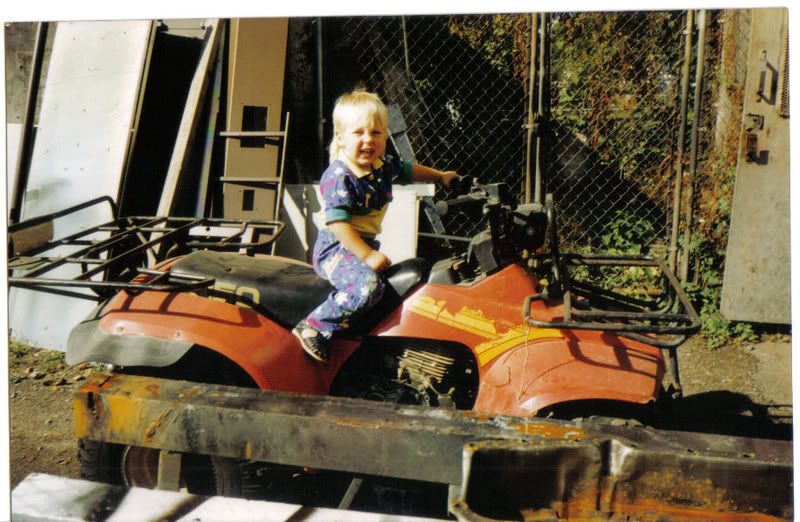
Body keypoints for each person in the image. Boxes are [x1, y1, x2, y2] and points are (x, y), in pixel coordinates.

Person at [292, 89, 458, 362]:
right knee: (367, 286)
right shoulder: (339, 175)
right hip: (336, 248)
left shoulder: (380, 166)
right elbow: (337, 223)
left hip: (361, 245)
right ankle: (314, 326)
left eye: (376, 133)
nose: (368, 140)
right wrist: (367, 255)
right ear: (341, 136)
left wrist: (441, 177)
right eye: (358, 133)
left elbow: (408, 169)